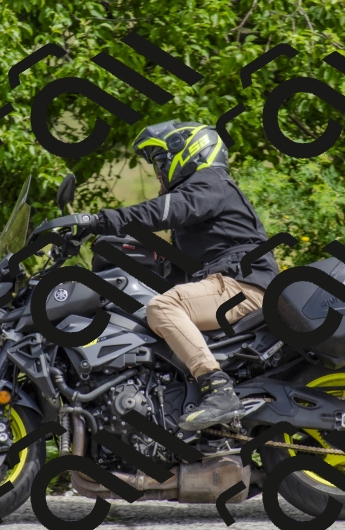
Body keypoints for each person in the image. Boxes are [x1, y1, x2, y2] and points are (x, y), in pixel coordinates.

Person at [83, 120, 278, 431]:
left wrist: (97, 220)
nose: (159, 173)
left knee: (164, 307)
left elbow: (164, 211)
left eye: (161, 161)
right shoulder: (202, 200)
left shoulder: (210, 182)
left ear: (189, 153)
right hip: (227, 284)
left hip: (243, 284)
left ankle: (218, 389)